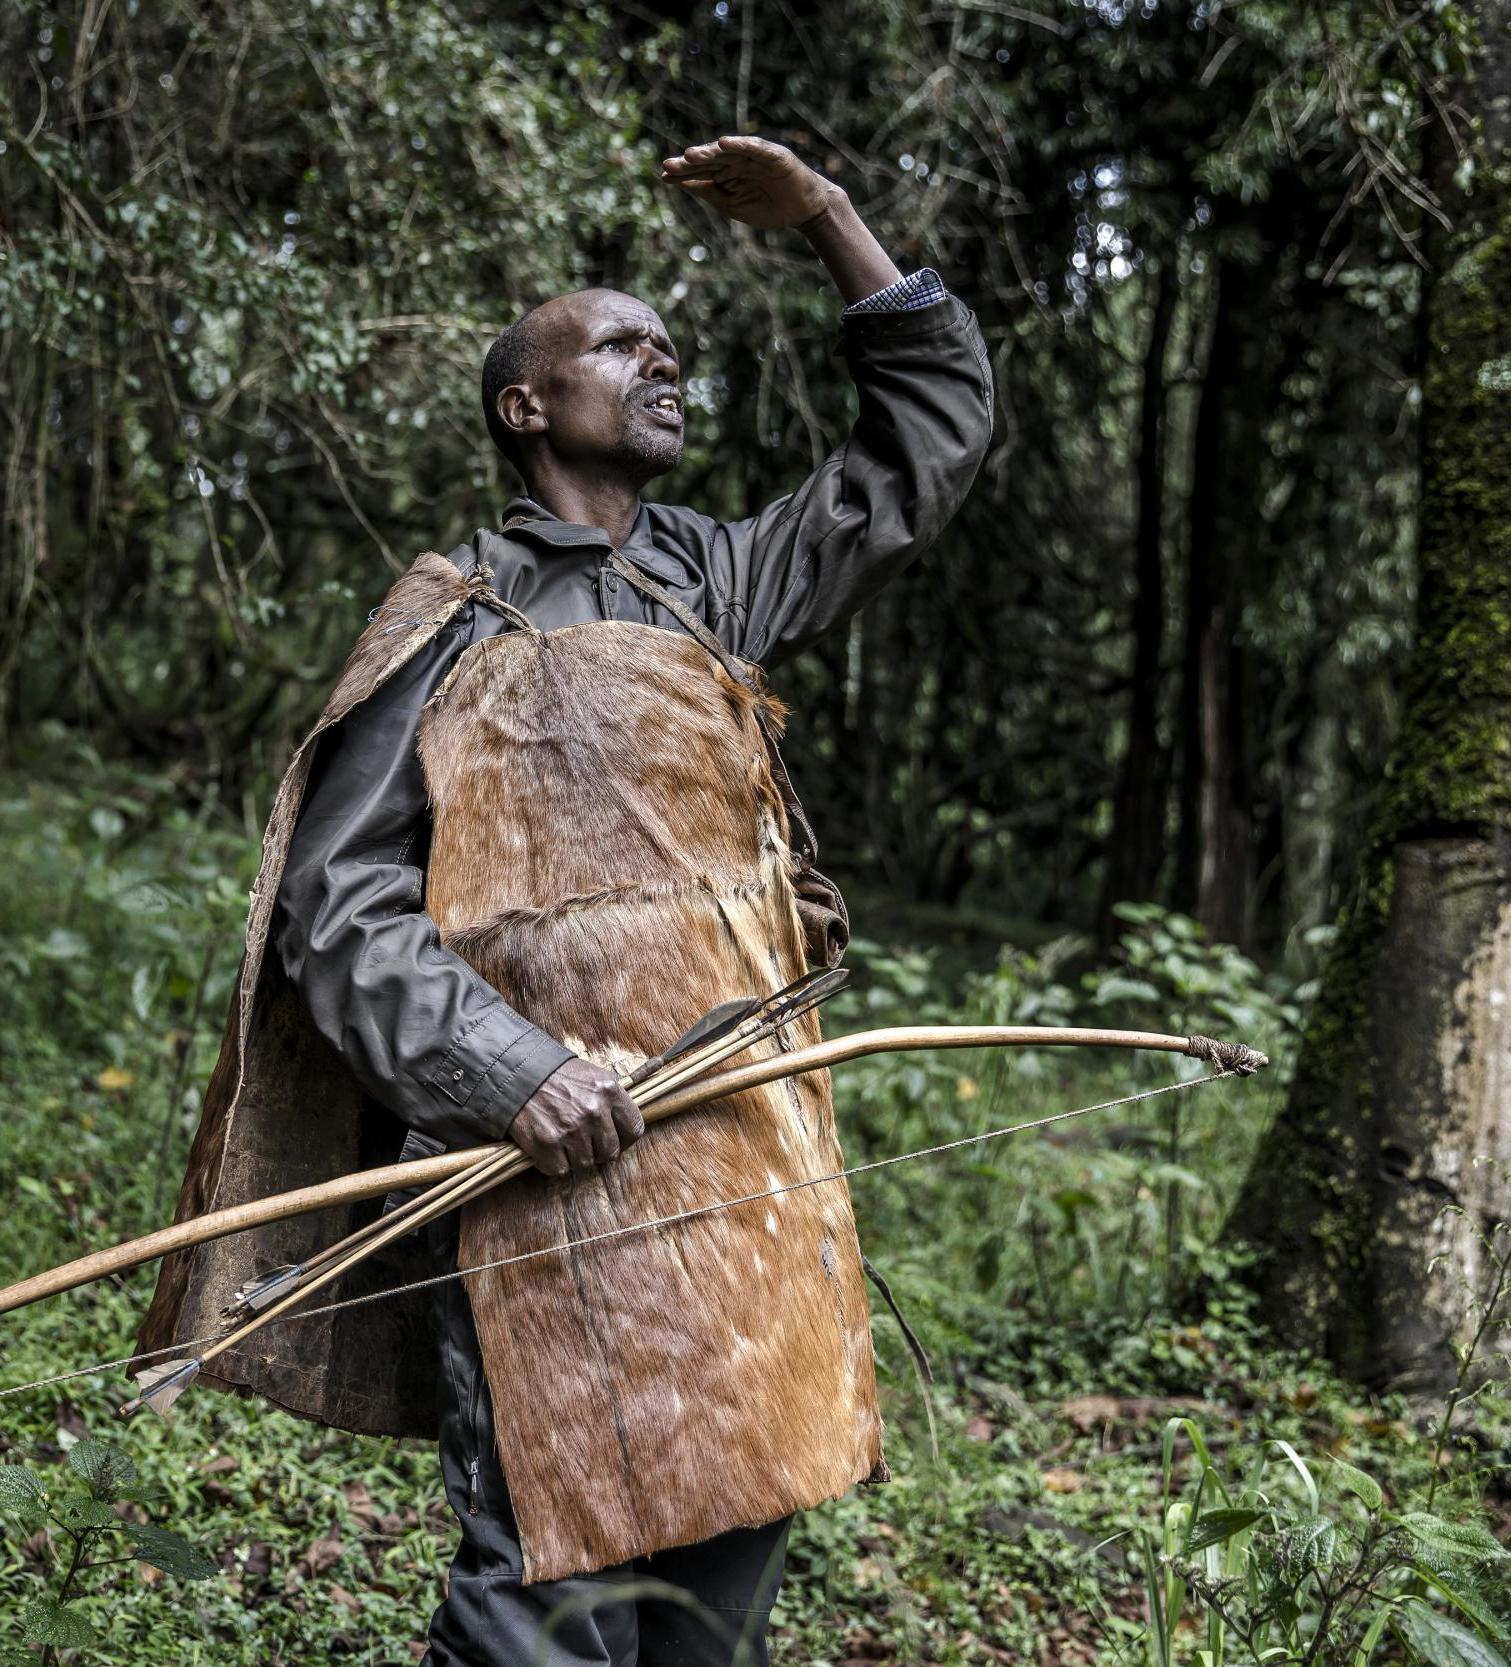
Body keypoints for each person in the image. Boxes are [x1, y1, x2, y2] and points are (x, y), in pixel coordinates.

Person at [139, 133, 993, 1665]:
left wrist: (829, 218)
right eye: (620, 346)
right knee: (548, 1570)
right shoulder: (448, 618)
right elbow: (338, 910)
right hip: (541, 1165)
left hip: (738, 1146)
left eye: (669, 347)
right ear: (525, 406)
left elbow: (923, 448)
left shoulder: (712, 583)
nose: (662, 363)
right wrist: (514, 1073)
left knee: (732, 1520)